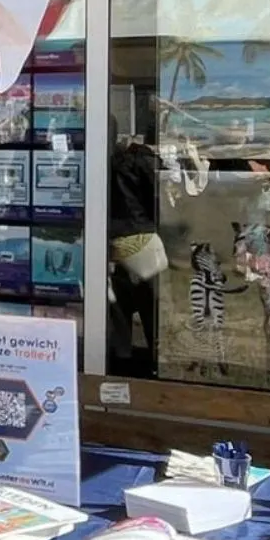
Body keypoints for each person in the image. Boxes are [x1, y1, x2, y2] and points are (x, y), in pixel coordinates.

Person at [107, 113, 165, 376]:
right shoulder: (143, 161)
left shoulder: (103, 161)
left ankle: (122, 359)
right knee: (152, 306)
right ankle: (157, 361)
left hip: (113, 241)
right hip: (142, 236)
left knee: (118, 307)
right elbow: (157, 200)